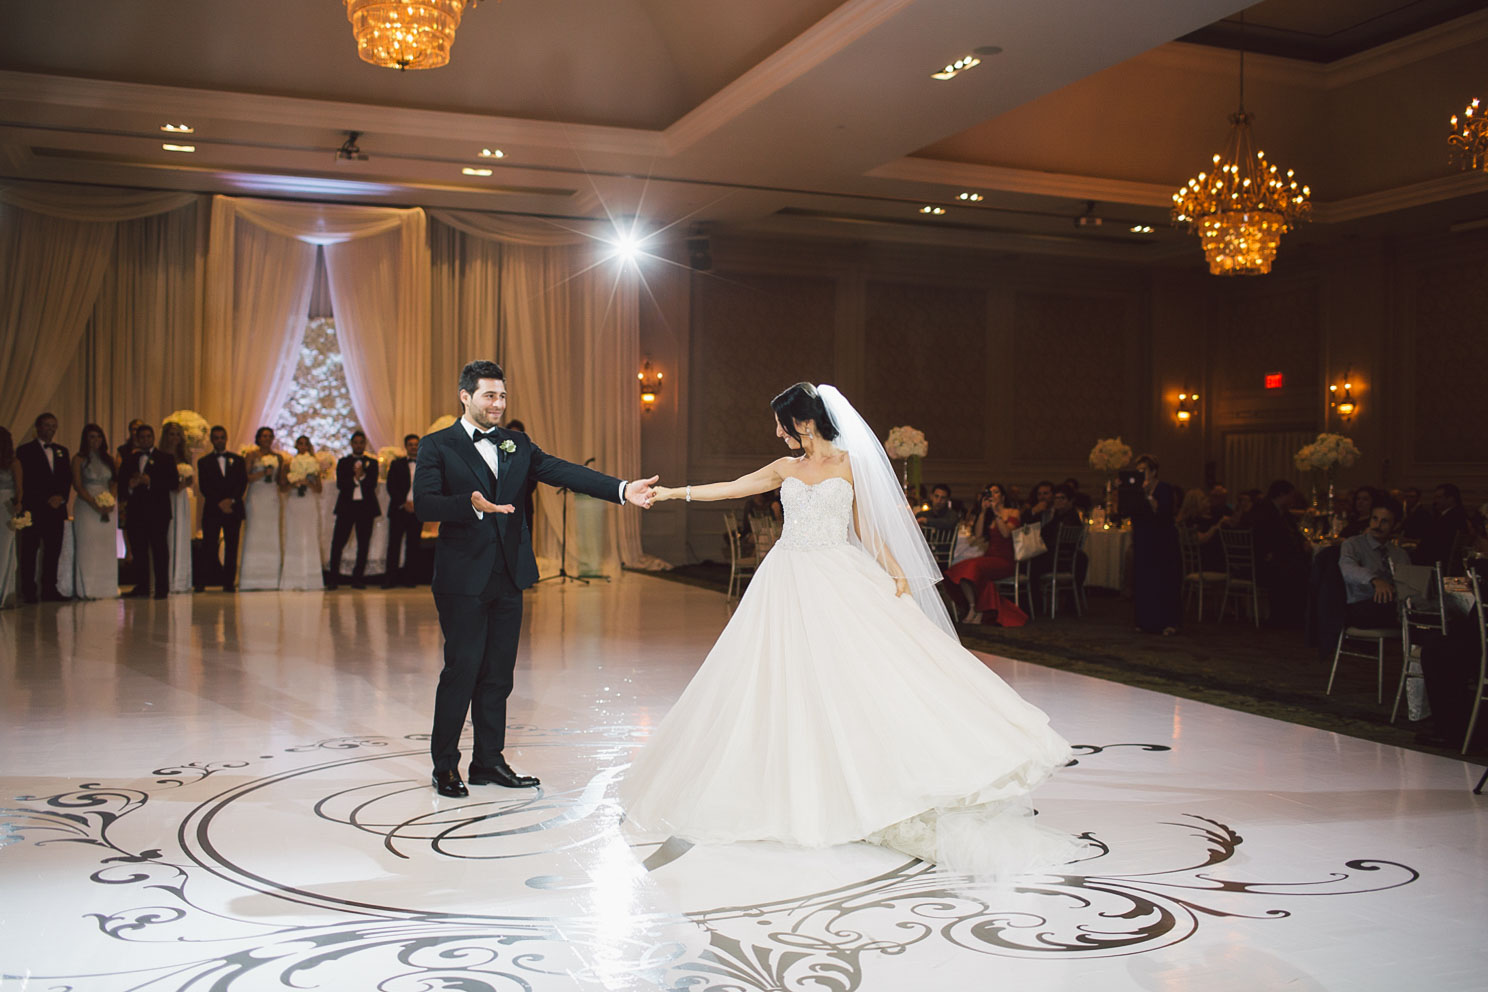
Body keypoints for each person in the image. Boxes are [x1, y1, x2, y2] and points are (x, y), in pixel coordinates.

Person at [621, 383, 1082, 875]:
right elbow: (733, 486)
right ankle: (807, 783)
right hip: (788, 579)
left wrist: (894, 570)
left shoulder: (849, 465)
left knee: (860, 674)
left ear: (802, 423)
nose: (776, 432)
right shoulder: (785, 469)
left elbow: (867, 530)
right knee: (784, 677)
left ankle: (874, 777)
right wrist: (672, 492)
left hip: (839, 574)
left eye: (780, 423)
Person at [412, 360, 658, 799]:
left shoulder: (516, 443)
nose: (498, 404)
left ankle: (488, 761)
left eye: (502, 396)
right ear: (464, 397)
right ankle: (444, 766)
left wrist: (622, 490)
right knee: (461, 671)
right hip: (462, 579)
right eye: (489, 395)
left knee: (499, 676)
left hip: (509, 576)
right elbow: (425, 504)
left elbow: (563, 471)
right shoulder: (437, 445)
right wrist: (467, 504)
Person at [944, 483, 1024, 625]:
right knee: (962, 570)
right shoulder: (988, 515)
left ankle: (980, 610)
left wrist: (996, 511)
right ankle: (974, 608)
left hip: (1005, 560)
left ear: (1003, 496)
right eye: (989, 492)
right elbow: (979, 535)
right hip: (989, 557)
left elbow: (1006, 533)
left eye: (996, 492)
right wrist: (982, 512)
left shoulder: (1012, 512)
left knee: (972, 567)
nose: (992, 495)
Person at [16, 413, 73, 603]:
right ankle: (29, 591)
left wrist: (61, 498)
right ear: (38, 427)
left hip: (57, 510)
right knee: (30, 551)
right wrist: (44, 499)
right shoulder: (25, 451)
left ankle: (50, 588)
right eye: (47, 425)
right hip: (35, 508)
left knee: (53, 550)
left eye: (53, 426)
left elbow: (67, 478)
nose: (50, 429)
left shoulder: (62, 451)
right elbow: (26, 481)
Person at [121, 423, 178, 599]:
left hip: (158, 512)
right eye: (142, 437)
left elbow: (173, 484)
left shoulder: (165, 458)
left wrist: (150, 481)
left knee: (160, 549)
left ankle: (162, 588)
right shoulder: (130, 459)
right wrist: (130, 487)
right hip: (136, 511)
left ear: (153, 438)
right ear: (137, 439)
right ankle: (142, 586)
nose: (146, 440)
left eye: (149, 437)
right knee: (139, 550)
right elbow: (121, 483)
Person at [1128, 455, 1182, 634]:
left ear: (1153, 471)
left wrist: (1147, 496)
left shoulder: (1164, 488)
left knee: (1163, 580)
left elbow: (1163, 513)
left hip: (1162, 540)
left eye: (1144, 470)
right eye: (1139, 471)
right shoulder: (1136, 490)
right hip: (1144, 539)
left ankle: (1169, 622)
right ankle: (1145, 621)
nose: (1141, 474)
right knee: (1144, 579)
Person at [1245, 479, 1310, 627]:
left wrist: (1302, 543)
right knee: (1296, 570)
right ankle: (1287, 617)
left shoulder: (1282, 512)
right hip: (1261, 563)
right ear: (1282, 495)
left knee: (1301, 566)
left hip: (1279, 558)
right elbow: (1266, 539)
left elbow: (1294, 532)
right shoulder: (1264, 511)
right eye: (1290, 496)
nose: (1292, 500)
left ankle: (1292, 615)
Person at [1337, 499, 1410, 630]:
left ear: (1396, 525)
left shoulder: (1399, 553)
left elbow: (1408, 584)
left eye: (1384, 521)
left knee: (1425, 614)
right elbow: (1347, 568)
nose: (1377, 525)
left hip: (1393, 605)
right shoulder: (1353, 544)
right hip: (1361, 604)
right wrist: (1375, 580)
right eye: (1374, 519)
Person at [71, 424, 119, 600]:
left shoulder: (109, 459)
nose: (95, 440)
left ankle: (106, 587)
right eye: (91, 437)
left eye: (98, 437)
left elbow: (114, 481)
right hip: (87, 504)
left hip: (108, 504)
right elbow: (77, 485)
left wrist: (111, 499)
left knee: (105, 545)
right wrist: (94, 503)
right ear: (85, 439)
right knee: (88, 544)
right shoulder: (78, 459)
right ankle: (87, 588)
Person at [196, 426, 247, 592]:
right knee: (208, 545)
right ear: (212, 440)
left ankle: (229, 582)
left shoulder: (238, 460)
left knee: (232, 546)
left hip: (233, 509)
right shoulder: (203, 462)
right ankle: (202, 581)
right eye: (216, 437)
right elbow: (205, 486)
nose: (219, 440)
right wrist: (220, 502)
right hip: (213, 509)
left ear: (226, 439)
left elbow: (241, 483)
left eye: (222, 437)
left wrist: (231, 500)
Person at [328, 430, 380, 590]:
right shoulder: (343, 462)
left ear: (364, 444)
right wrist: (354, 478)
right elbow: (340, 485)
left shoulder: (372, 463)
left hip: (365, 508)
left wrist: (363, 476)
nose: (358, 445)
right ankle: (333, 578)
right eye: (355, 442)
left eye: (361, 442)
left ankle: (358, 578)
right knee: (338, 542)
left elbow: (372, 484)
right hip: (347, 507)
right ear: (351, 444)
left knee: (363, 544)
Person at [239, 427, 285, 591]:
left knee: (271, 533)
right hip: (256, 497)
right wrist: (262, 474)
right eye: (263, 436)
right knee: (254, 532)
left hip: (271, 497)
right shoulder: (251, 455)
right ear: (258, 438)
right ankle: (251, 578)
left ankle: (271, 578)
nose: (266, 439)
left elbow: (280, 481)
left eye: (269, 436)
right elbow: (245, 477)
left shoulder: (278, 457)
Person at [1027, 484, 1086, 608]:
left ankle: (1033, 604)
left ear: (1070, 501)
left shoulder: (1068, 518)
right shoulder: (1060, 516)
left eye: (1062, 498)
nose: (1058, 501)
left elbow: (1054, 541)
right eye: (1056, 498)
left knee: (1029, 564)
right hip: (1061, 558)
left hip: (1060, 560)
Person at [279, 435, 324, 591]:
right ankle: (292, 578)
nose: (303, 446)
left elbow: (319, 489)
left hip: (309, 502)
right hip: (294, 502)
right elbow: (282, 487)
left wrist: (308, 483)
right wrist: (294, 483)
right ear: (296, 445)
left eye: (305, 444)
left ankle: (312, 579)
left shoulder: (313, 463)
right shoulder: (288, 464)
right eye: (300, 443)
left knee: (309, 537)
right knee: (294, 537)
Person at [159, 421, 195, 594]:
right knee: (168, 535)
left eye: (177, 435)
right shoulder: (159, 455)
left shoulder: (185, 456)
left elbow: (192, 480)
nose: (174, 438)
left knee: (181, 533)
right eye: (171, 434)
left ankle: (181, 578)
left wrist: (186, 481)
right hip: (166, 497)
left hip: (181, 499)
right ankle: (166, 579)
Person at [384, 433, 420, 588]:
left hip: (417, 510)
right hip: (399, 509)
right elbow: (391, 486)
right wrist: (403, 503)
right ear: (406, 447)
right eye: (410, 444)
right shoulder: (396, 464)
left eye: (416, 444)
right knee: (394, 545)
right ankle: (390, 579)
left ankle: (409, 579)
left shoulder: (427, 464)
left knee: (413, 546)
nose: (413, 447)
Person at [1414, 483, 1472, 573]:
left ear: (1451, 499)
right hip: (1438, 560)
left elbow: (1436, 544)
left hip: (1437, 564)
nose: (1435, 501)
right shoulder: (1454, 515)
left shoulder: (1452, 518)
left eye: (1439, 497)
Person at [0, 427, 17, 608]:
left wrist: (17, 506)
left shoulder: (13, 463)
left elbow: (19, 490)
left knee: (5, 549)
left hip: (5, 508)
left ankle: (3, 591)